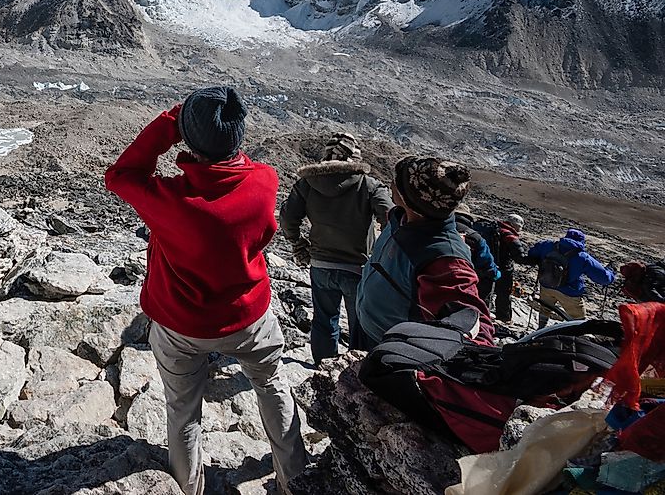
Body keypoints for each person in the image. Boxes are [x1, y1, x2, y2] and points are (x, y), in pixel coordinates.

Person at [106, 87, 308, 495]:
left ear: (189, 139)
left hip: (181, 326)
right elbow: (242, 169)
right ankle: (296, 482)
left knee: (183, 413)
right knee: (272, 387)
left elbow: (120, 175)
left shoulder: (172, 200)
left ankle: (188, 487)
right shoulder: (265, 182)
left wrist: (171, 123)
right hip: (249, 317)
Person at [355, 156, 495, 348]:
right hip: (367, 328)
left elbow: (473, 327)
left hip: (390, 350)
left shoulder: (445, 258)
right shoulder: (401, 219)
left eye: (397, 182)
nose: (391, 184)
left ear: (410, 198)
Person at [279, 133, 392, 362]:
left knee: (324, 319)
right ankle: (356, 374)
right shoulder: (367, 184)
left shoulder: (307, 184)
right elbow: (391, 218)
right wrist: (383, 253)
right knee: (360, 323)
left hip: (320, 265)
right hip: (358, 268)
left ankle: (324, 366)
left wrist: (299, 244)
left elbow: (288, 217)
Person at [527, 229, 615, 326]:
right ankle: (576, 335)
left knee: (545, 308)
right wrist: (611, 272)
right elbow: (604, 278)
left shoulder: (547, 245)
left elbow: (531, 253)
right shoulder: (582, 257)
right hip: (569, 291)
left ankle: (541, 327)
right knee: (578, 318)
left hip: (546, 283)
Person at [472, 213, 527, 323]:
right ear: (515, 225)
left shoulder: (494, 229)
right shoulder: (509, 235)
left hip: (485, 265)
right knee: (503, 294)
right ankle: (504, 317)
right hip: (504, 269)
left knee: (484, 292)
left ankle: (480, 315)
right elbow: (520, 257)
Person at [453, 205, 502, 302]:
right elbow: (486, 263)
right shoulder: (475, 237)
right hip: (465, 284)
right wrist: (496, 273)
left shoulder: (437, 230)